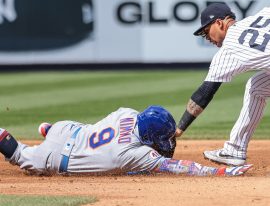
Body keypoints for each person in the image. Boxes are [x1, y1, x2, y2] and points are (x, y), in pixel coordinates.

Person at [0, 105, 251, 176]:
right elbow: (180, 167)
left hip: (68, 129)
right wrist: (220, 172)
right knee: (20, 156)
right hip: (55, 160)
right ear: (152, 137)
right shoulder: (134, 155)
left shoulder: (128, 113)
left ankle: (49, 130)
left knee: (84, 130)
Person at [176, 2, 270, 166]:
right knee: (257, 87)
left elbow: (204, 93)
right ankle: (235, 150)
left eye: (206, 32)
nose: (207, 38)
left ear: (219, 23)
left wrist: (180, 128)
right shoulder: (262, 15)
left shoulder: (229, 48)